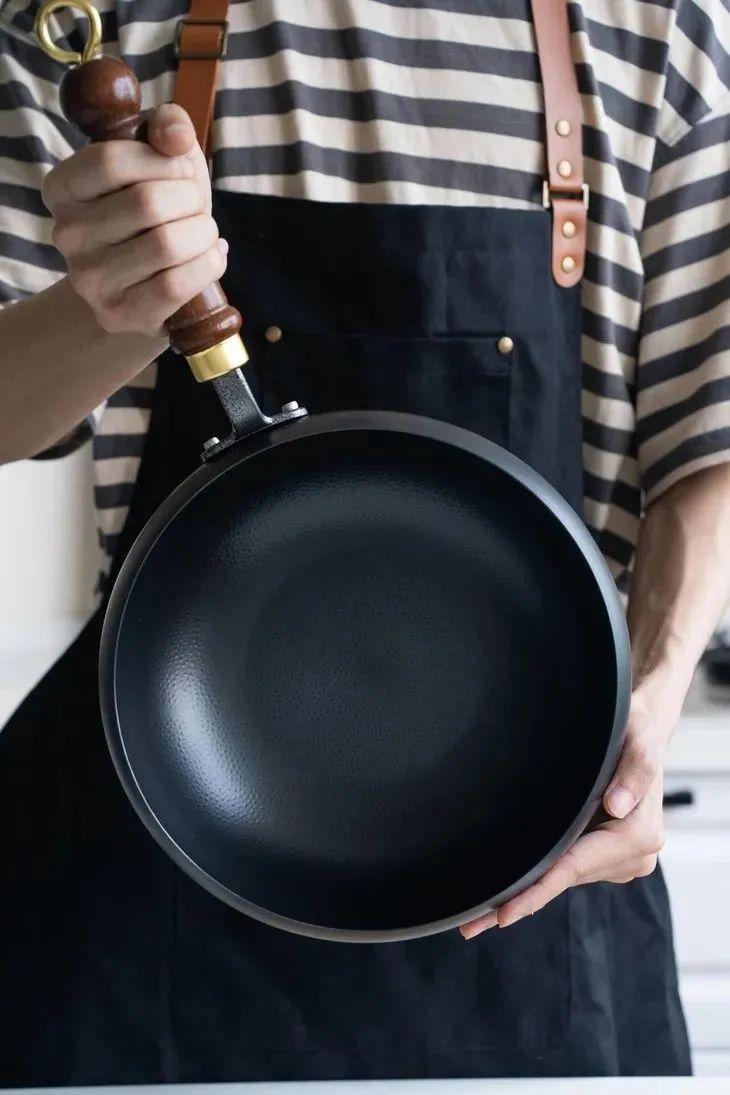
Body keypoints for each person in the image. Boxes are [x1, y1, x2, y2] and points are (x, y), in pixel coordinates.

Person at [0, 0, 728, 1083]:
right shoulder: (91, 22)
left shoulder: (654, 29)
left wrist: (652, 702)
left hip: (538, 864)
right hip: (146, 885)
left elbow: (709, 429)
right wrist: (110, 306)